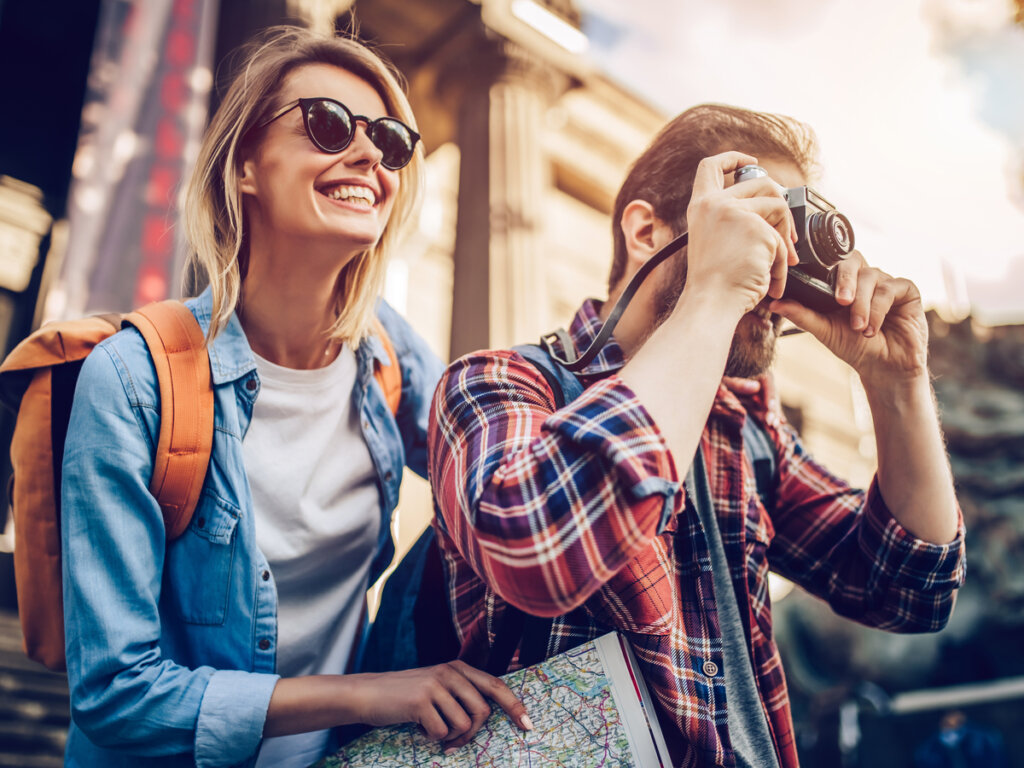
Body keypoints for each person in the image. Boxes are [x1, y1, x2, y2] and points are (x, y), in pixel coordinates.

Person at [427, 103, 966, 767]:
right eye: (758, 222)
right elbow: (537, 552)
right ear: (647, 231)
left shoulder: (744, 430)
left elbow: (909, 590)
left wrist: (898, 386)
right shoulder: (498, 384)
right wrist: (713, 290)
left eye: (787, 233)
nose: (775, 264)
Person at [60, 25, 529, 768]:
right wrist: (381, 693)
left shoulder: (391, 357)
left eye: (391, 141)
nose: (370, 156)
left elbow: (513, 491)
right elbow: (117, 693)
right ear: (245, 164)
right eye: (328, 125)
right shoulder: (131, 381)